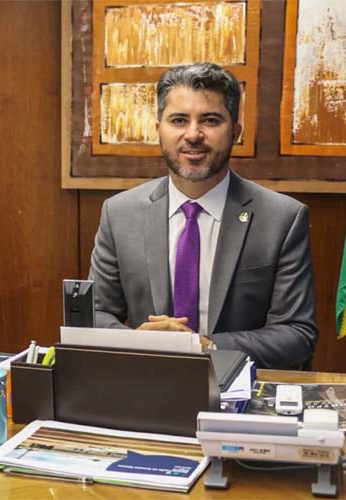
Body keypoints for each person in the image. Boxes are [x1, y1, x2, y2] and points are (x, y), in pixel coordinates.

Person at [89, 63, 317, 369]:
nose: (193, 135)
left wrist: (201, 345)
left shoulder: (282, 219)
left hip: (239, 393)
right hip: (147, 385)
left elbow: (296, 333)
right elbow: (96, 314)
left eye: (210, 120)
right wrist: (139, 342)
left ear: (235, 132)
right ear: (159, 130)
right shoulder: (120, 214)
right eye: (178, 120)